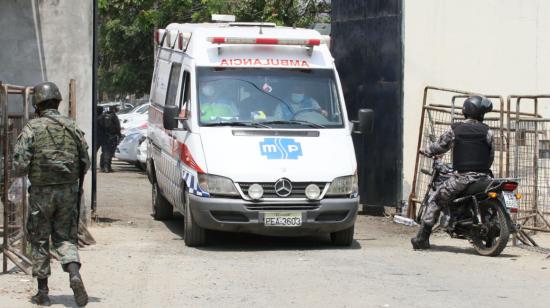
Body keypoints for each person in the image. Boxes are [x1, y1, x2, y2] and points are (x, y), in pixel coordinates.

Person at [13, 82, 90, 306]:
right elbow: (85, 163)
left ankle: (43, 293)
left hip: (41, 195)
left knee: (39, 240)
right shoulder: (72, 127)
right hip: (68, 192)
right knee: (65, 237)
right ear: (57, 102)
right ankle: (74, 274)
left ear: (37, 103)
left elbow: (19, 166)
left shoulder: (32, 128)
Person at [411, 96, 494, 250]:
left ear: (466, 111)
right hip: (484, 178)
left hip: (462, 178)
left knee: (436, 199)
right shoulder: (487, 132)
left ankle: (422, 238)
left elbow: (440, 147)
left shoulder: (456, 129)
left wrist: (426, 150)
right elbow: (490, 157)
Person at [98, 105, 121, 172]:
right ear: (113, 109)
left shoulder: (103, 116)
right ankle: (107, 167)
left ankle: (102, 167)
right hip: (112, 137)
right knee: (109, 152)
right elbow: (117, 127)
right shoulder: (113, 116)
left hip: (104, 136)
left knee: (104, 152)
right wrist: (119, 135)